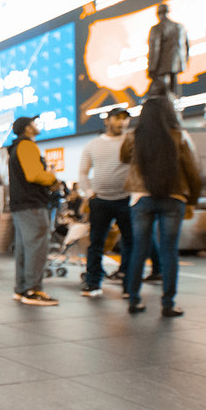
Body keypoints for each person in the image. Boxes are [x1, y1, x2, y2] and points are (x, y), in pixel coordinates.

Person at [120, 96, 202, 317]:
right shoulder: (180, 136)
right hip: (174, 198)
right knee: (169, 252)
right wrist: (192, 200)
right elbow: (193, 172)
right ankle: (168, 303)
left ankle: (134, 300)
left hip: (141, 199)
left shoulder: (132, 137)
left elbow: (123, 158)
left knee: (139, 250)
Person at [77, 106, 134, 297]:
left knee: (130, 242)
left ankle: (128, 284)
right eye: (117, 118)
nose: (122, 122)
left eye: (125, 119)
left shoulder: (132, 141)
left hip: (126, 200)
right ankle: (93, 283)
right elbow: (83, 172)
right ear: (107, 121)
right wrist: (89, 192)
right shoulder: (93, 145)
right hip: (100, 201)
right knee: (96, 243)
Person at [7, 115, 60, 305]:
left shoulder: (15, 148)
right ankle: (34, 290)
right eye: (34, 123)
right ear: (28, 128)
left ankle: (22, 289)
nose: (37, 126)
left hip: (21, 204)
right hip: (32, 203)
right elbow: (34, 174)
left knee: (25, 247)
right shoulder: (27, 145)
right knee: (37, 246)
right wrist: (52, 178)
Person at [147, 3, 189, 98]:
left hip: (162, 67)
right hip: (177, 64)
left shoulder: (157, 28)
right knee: (175, 93)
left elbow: (155, 49)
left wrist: (152, 68)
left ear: (158, 14)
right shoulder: (179, 27)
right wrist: (184, 62)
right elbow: (187, 47)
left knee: (163, 96)